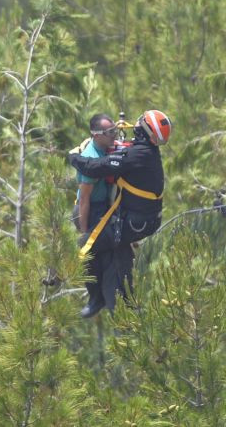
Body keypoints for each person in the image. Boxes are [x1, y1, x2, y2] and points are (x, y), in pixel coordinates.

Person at [68, 109, 171, 318]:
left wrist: (73, 157)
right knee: (118, 253)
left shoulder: (137, 155)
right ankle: (124, 308)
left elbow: (94, 167)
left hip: (133, 223)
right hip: (141, 220)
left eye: (140, 124)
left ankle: (96, 298)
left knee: (84, 248)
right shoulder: (143, 151)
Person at [72, 114, 118, 316]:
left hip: (105, 207)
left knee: (105, 254)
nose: (114, 136)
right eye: (110, 133)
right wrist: (84, 230)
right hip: (92, 209)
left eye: (115, 131)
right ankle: (95, 298)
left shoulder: (107, 149)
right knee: (86, 250)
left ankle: (112, 302)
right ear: (96, 135)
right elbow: (84, 199)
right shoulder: (92, 159)